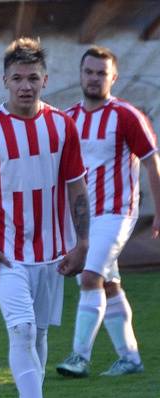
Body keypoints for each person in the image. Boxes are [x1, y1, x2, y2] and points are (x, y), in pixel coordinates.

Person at [0, 38, 90, 398]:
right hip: (6, 253)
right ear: (5, 81)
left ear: (45, 80)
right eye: (17, 78)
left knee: (41, 336)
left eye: (33, 77)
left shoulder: (63, 126)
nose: (25, 85)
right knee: (23, 330)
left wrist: (83, 242)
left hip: (52, 253)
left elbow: (76, 188)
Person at [56, 46, 160, 378]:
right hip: (82, 218)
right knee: (109, 285)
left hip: (117, 213)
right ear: (80, 74)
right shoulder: (68, 118)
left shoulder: (127, 115)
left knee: (89, 276)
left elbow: (151, 162)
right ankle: (130, 358)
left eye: (102, 73)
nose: (94, 78)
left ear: (113, 77)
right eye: (89, 71)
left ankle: (79, 357)